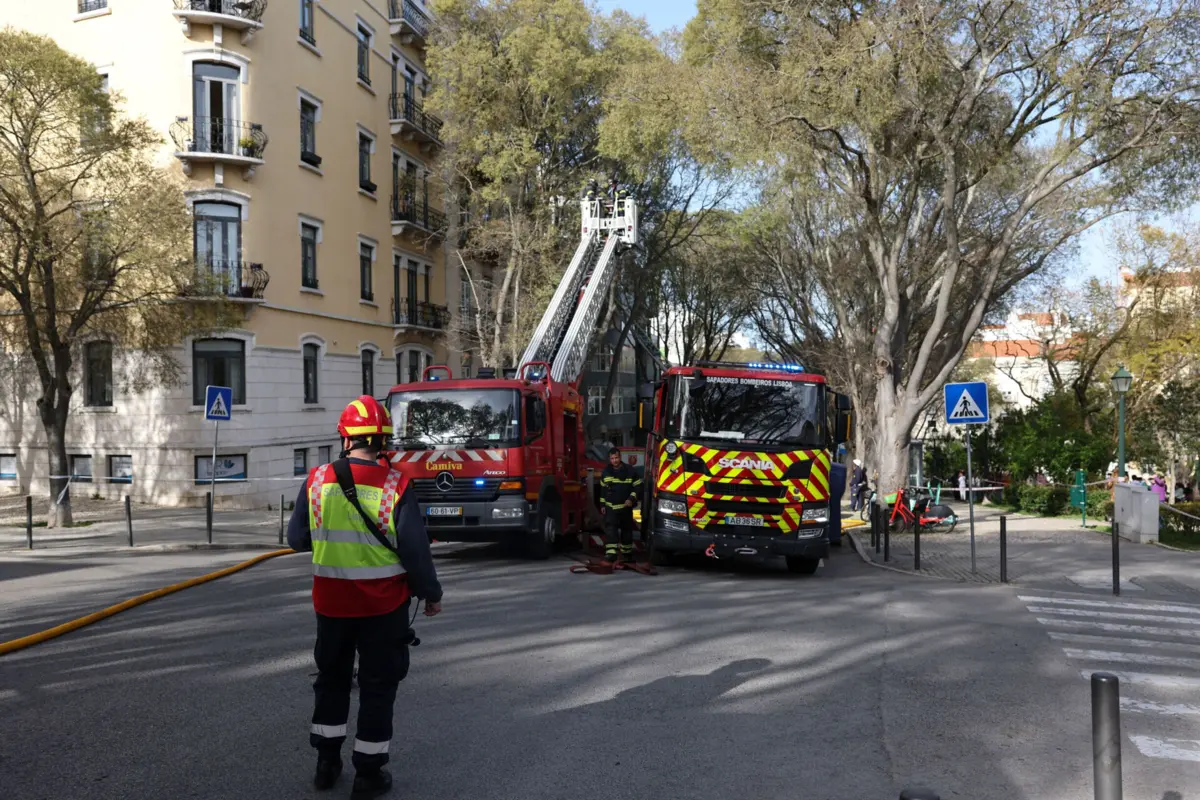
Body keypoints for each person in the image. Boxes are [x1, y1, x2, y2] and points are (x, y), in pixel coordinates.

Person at [287, 395, 443, 798]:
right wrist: (431, 593)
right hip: (383, 607)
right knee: (377, 686)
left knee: (332, 680)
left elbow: (295, 540)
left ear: (345, 438)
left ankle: (326, 764)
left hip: (331, 605)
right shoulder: (397, 484)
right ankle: (368, 774)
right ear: (383, 441)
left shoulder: (318, 479)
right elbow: (414, 550)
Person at [600, 445, 642, 562]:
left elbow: (638, 486)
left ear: (620, 457)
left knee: (626, 531)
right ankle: (611, 553)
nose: (615, 461)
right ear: (609, 459)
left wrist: (631, 499)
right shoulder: (606, 472)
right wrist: (602, 505)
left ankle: (627, 554)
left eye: (616, 458)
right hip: (610, 507)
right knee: (611, 530)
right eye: (612, 458)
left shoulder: (630, 471)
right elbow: (603, 490)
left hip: (625, 507)